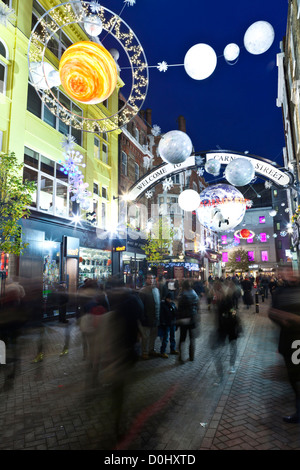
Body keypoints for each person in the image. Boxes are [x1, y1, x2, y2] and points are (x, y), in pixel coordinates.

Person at [268, 267, 300, 424]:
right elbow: (271, 312)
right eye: (285, 272)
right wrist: (281, 317)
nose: (288, 274)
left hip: (296, 340)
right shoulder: (280, 292)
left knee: (297, 376)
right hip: (289, 340)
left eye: (291, 271)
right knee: (294, 377)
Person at [210, 279, 243, 380]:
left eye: (217, 291)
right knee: (218, 347)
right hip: (222, 327)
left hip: (231, 325)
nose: (216, 293)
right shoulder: (218, 299)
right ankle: (223, 371)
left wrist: (231, 315)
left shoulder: (228, 298)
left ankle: (231, 365)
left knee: (232, 344)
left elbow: (233, 310)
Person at [176, 280, 200, 362]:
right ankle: (191, 356)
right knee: (192, 338)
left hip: (184, 319)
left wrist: (177, 319)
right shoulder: (194, 293)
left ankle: (181, 356)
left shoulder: (182, 295)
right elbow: (197, 305)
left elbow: (179, 309)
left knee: (182, 338)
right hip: (192, 318)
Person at [138, 273, 160, 359]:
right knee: (145, 337)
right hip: (146, 319)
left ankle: (151, 350)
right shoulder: (143, 291)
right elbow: (140, 306)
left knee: (153, 336)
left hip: (155, 318)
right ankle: (145, 352)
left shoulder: (156, 290)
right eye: (149, 278)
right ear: (146, 280)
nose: (151, 280)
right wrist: (142, 317)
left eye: (152, 278)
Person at [159, 293, 178, 358]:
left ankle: (173, 349)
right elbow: (162, 315)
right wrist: (163, 323)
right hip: (167, 324)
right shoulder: (163, 305)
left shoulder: (172, 304)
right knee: (165, 338)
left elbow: (175, 313)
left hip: (172, 323)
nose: (170, 300)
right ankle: (163, 351)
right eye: (169, 299)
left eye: (171, 299)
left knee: (172, 337)